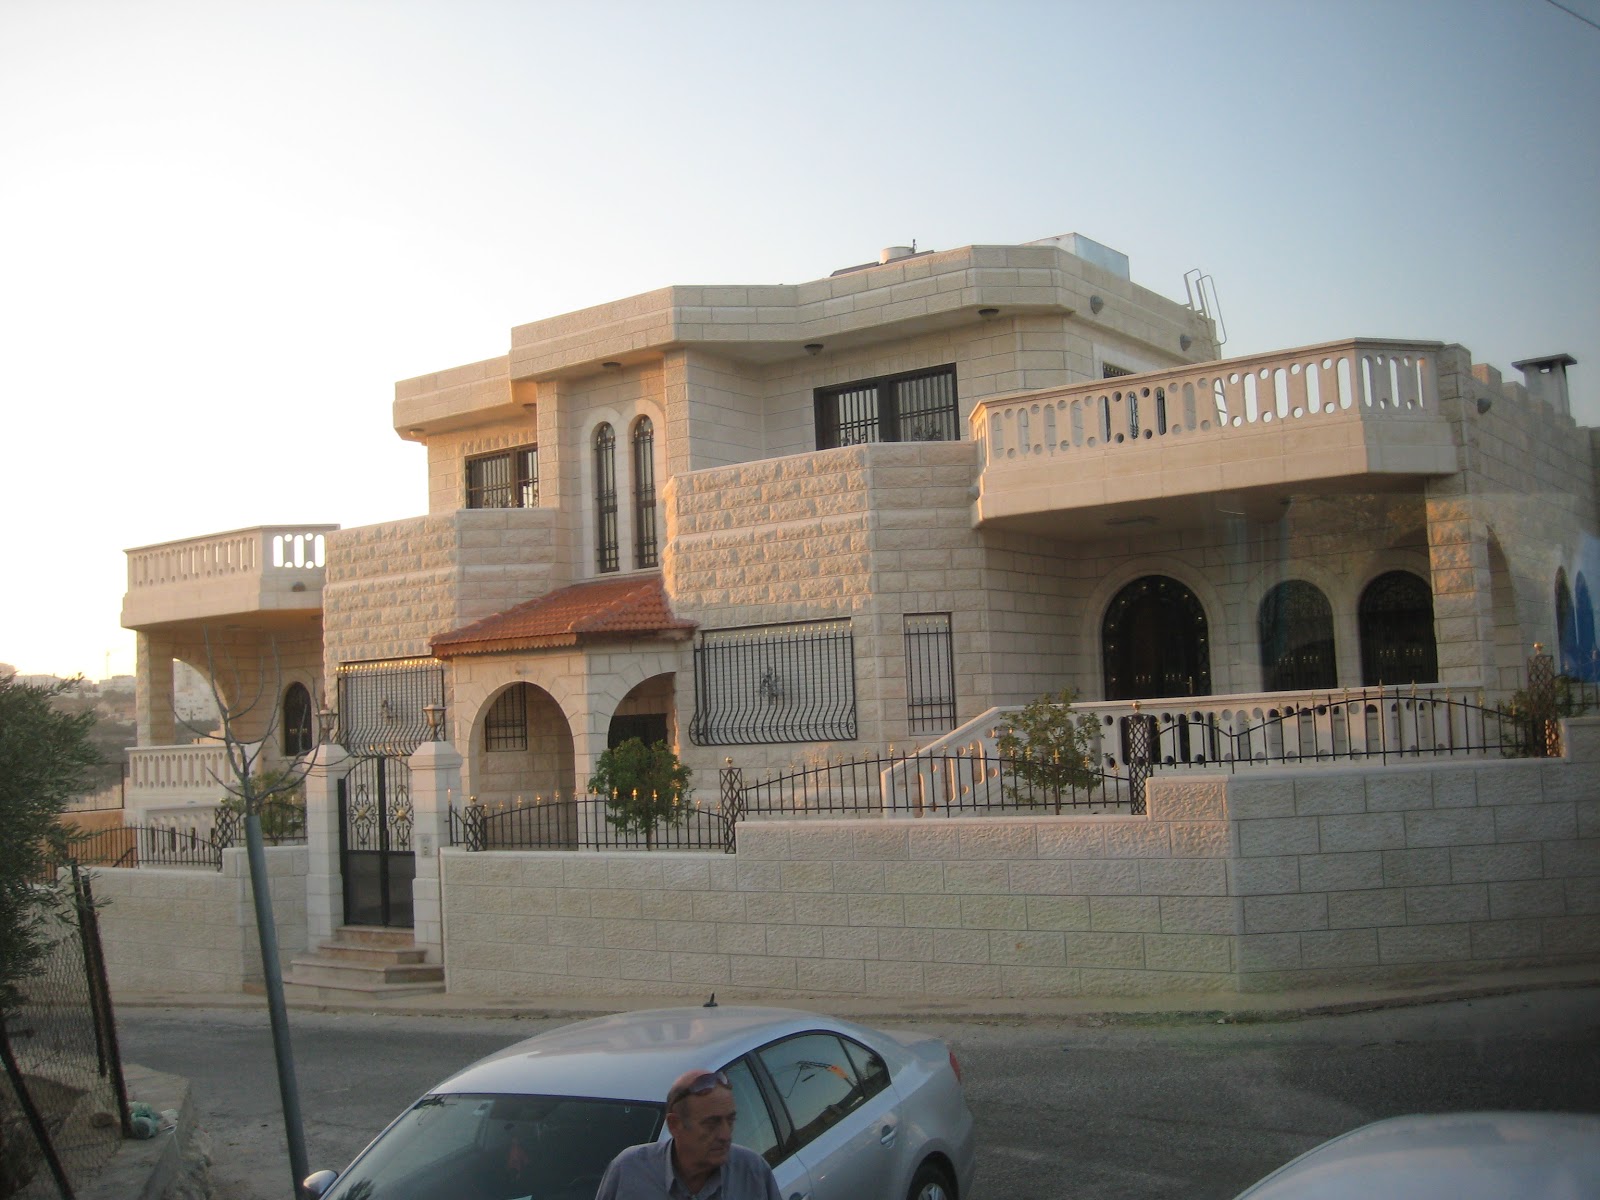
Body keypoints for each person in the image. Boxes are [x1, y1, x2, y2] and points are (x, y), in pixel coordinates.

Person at [594, 1067, 782, 1200]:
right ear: (674, 1125)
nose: (725, 1135)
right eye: (711, 1123)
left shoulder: (753, 1173)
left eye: (730, 1120)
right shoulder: (629, 1171)